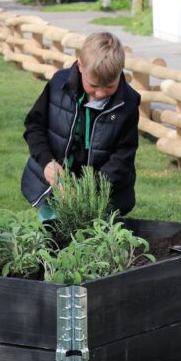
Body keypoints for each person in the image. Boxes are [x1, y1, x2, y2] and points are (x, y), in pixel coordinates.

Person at [21, 31, 141, 220]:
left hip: (103, 195)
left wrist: (89, 190)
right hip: (53, 188)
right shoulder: (57, 86)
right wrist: (46, 163)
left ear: (120, 72)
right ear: (80, 66)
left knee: (95, 242)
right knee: (54, 239)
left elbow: (122, 157)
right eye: (93, 85)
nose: (100, 93)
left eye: (109, 86)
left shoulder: (128, 104)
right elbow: (35, 126)